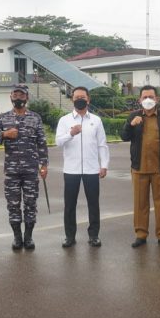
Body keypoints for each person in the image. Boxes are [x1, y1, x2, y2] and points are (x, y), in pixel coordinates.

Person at [0, 84, 48, 250]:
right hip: (12, 171)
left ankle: (28, 237)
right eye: (15, 94)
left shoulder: (35, 118)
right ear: (11, 97)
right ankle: (17, 237)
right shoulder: (2, 118)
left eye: (21, 95)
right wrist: (4, 134)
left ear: (27, 98)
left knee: (30, 204)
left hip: (30, 170)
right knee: (13, 204)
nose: (18, 98)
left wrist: (44, 164)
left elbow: (41, 142)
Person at [121, 85, 160, 248]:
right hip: (139, 168)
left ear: (157, 99)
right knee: (140, 203)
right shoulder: (133, 116)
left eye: (151, 97)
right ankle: (141, 234)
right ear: (139, 100)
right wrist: (131, 125)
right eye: (145, 97)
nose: (148, 100)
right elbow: (124, 136)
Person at [55, 87, 110, 247]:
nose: (80, 99)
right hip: (71, 169)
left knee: (93, 203)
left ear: (88, 99)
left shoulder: (96, 120)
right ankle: (69, 236)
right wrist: (70, 134)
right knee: (70, 204)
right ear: (72, 99)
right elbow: (58, 142)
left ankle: (94, 235)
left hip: (92, 169)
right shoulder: (65, 120)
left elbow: (102, 145)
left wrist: (104, 165)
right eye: (77, 96)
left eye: (83, 97)